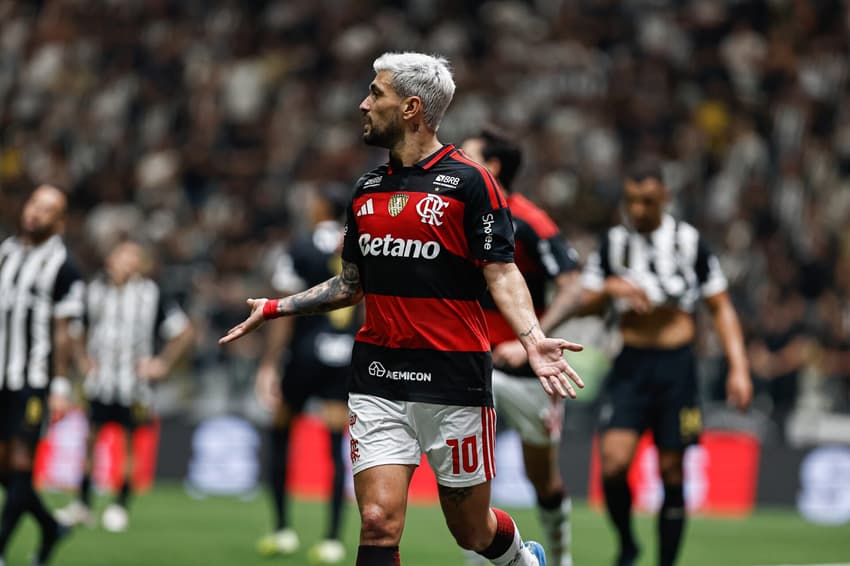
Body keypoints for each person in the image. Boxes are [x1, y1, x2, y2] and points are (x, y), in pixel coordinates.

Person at [220, 52, 586, 566]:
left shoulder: (470, 183)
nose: (363, 103)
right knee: (377, 521)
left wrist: (531, 338)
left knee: (470, 529)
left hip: (454, 376)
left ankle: (522, 559)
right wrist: (279, 308)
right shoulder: (366, 188)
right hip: (378, 375)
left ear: (411, 107)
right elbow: (351, 285)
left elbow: (501, 272)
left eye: (376, 93)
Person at [548, 159, 753, 566]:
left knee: (673, 470)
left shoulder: (690, 243)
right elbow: (582, 303)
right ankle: (627, 543)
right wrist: (609, 288)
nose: (637, 210)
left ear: (665, 198)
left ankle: (666, 562)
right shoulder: (612, 245)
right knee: (612, 464)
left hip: (677, 368)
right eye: (631, 202)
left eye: (647, 201)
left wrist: (739, 366)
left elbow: (720, 306)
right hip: (630, 364)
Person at [461, 129, 582, 566]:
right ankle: (485, 556)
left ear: (492, 166)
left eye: (467, 155)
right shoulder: (459, 213)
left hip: (526, 368)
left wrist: (529, 336)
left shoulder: (529, 219)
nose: (454, 159)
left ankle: (562, 554)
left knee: (543, 479)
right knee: (470, 471)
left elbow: (574, 287)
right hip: (473, 361)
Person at [54, 240, 193, 532]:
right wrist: (81, 359)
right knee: (90, 441)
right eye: (122, 256)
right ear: (110, 260)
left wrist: (162, 363)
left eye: (133, 257)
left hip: (134, 385)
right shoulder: (94, 291)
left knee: (129, 445)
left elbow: (182, 331)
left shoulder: (151, 294)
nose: (127, 263)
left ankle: (120, 504)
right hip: (100, 382)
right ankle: (82, 503)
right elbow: (76, 328)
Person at [254, 185, 359, 563]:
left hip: (303, 357)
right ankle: (332, 539)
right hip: (344, 356)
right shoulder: (358, 242)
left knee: (281, 434)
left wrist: (269, 363)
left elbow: (284, 308)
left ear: (320, 208)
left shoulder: (298, 247)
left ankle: (282, 530)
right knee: (336, 450)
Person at [0, 185, 85, 566]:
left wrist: (61, 385)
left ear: (60, 222)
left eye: (48, 209)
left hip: (33, 381)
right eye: (34, 203)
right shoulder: (5, 253)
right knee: (8, 472)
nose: (36, 212)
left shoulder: (64, 269)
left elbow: (64, 333)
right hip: (1, 377)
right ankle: (50, 527)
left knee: (21, 464)